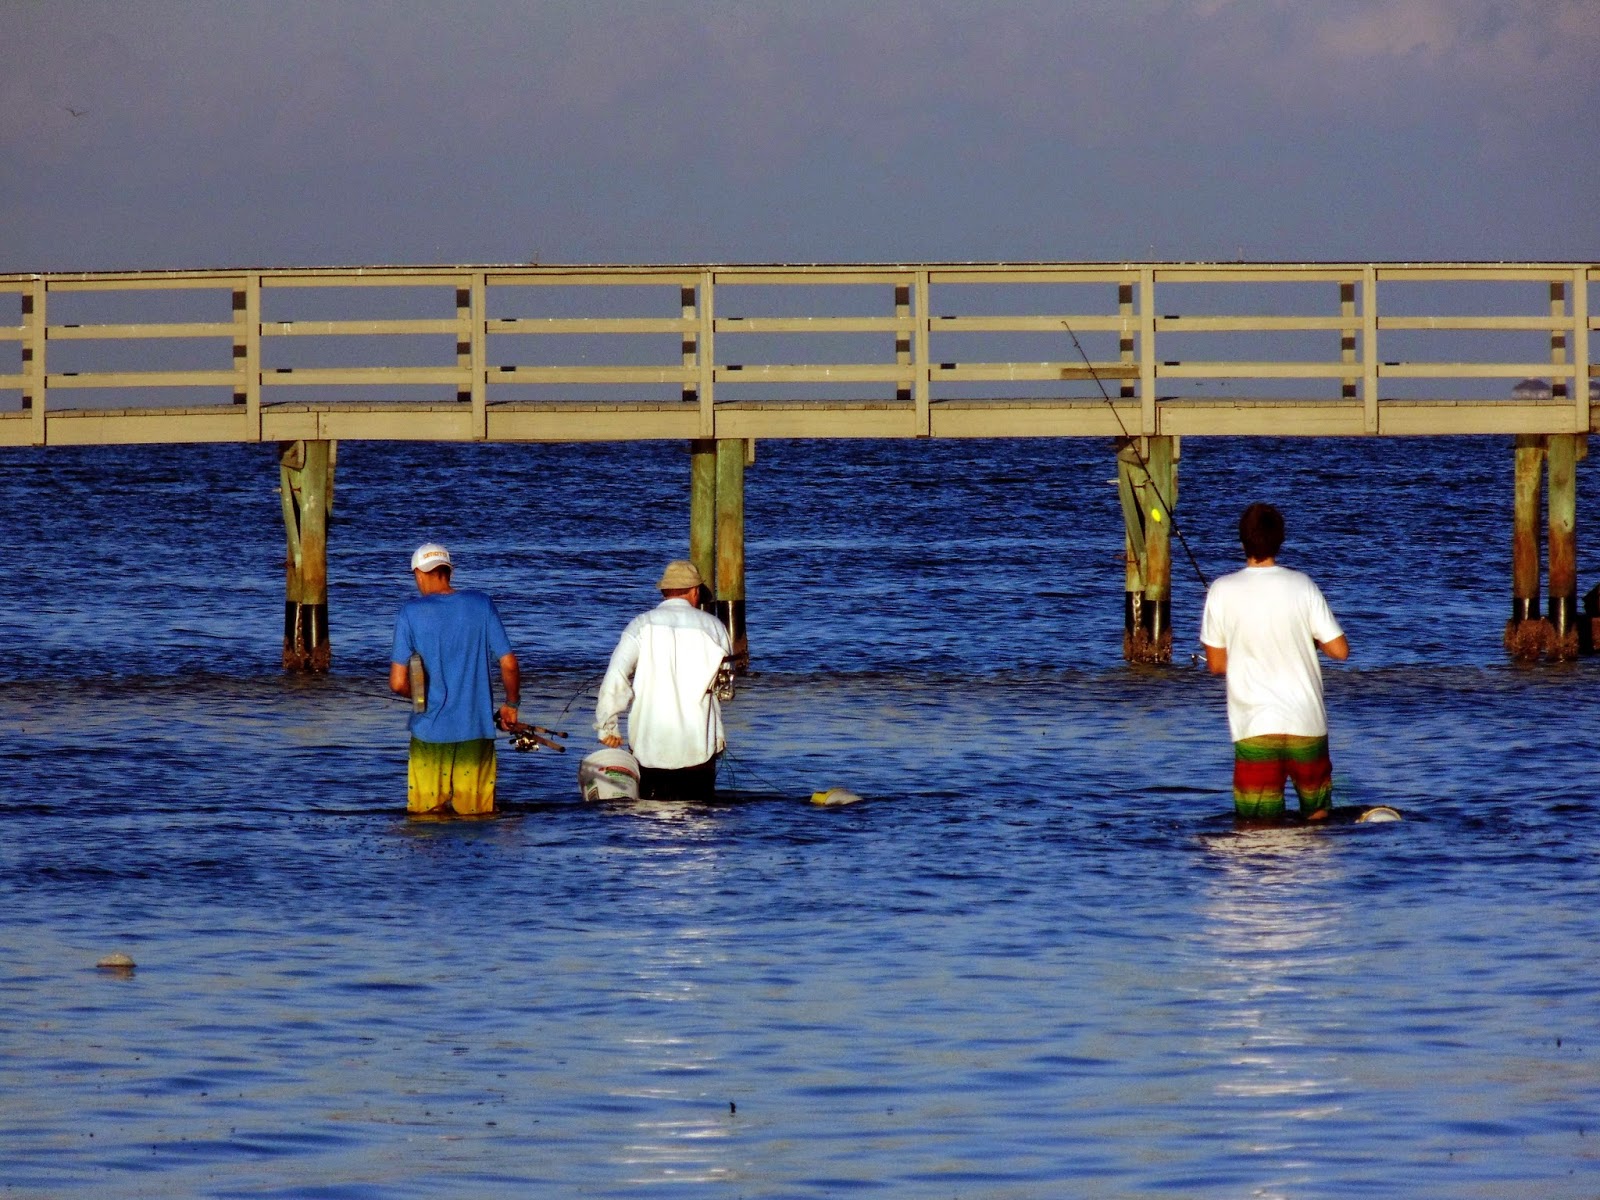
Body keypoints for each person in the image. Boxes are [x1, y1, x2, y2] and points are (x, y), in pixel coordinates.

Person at [1200, 503, 1350, 822]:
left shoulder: (1221, 590)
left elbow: (1216, 664)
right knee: (1318, 817)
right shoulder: (1302, 585)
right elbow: (1339, 651)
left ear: (1242, 541)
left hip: (1255, 726)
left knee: (1256, 826)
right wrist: (1308, 641)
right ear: (1280, 541)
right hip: (1306, 721)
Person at [388, 543, 520, 816]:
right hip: (476, 731)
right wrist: (511, 704)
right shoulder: (481, 604)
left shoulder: (409, 613)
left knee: (425, 820)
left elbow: (398, 683)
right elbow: (508, 664)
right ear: (450, 571)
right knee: (478, 818)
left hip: (429, 733)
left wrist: (420, 696)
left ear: (418, 574)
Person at [595, 560, 731, 800]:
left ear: (664, 591)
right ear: (695, 591)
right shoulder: (715, 627)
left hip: (649, 747)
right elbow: (726, 687)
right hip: (699, 747)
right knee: (699, 815)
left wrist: (608, 725)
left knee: (651, 815)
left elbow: (616, 675)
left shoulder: (640, 625)